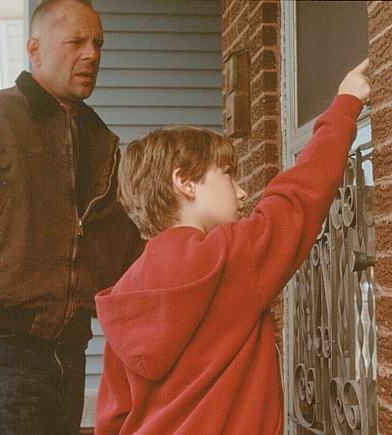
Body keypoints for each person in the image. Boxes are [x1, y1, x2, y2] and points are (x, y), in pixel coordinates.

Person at [94, 59, 371, 434]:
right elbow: (299, 198)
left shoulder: (125, 295)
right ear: (185, 183)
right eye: (227, 174)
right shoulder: (228, 257)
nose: (241, 191)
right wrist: (344, 106)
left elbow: (113, 417)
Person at [0, 0, 143, 434]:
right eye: (76, 42)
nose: (92, 55)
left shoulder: (101, 139)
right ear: (34, 49)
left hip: (71, 348)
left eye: (98, 44)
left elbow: (124, 251)